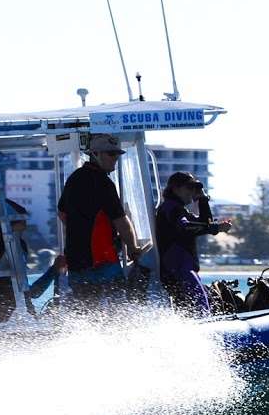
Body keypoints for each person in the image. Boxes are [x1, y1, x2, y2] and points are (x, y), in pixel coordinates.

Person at [56, 133, 142, 312]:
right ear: (95, 154)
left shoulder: (74, 178)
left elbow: (62, 213)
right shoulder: (103, 183)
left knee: (87, 311)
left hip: (76, 258)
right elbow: (121, 220)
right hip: (101, 259)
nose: (116, 158)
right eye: (111, 154)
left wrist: (80, 230)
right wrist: (133, 248)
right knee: (118, 309)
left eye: (117, 154)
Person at [155, 171, 233, 317]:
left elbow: (205, 222)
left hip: (184, 271)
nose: (192, 191)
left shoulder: (181, 210)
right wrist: (215, 228)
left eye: (194, 188)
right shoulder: (170, 207)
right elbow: (184, 227)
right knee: (202, 310)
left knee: (198, 308)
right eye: (189, 187)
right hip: (177, 270)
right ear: (174, 188)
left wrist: (202, 198)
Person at [0, 200, 65, 321]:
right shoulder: (16, 245)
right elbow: (31, 292)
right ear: (13, 223)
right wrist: (54, 270)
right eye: (23, 223)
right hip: (15, 316)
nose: (25, 227)